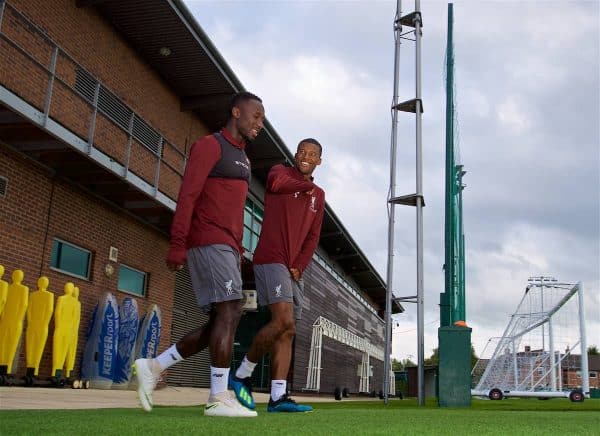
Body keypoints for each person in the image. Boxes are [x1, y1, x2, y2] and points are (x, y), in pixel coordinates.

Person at [134, 91, 265, 418]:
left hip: (229, 246)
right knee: (231, 308)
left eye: (262, 119)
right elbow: (188, 194)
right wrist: (178, 242)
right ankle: (218, 398)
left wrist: (239, 246)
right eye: (255, 116)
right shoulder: (210, 145)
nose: (259, 124)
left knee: (224, 318)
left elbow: (232, 208)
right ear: (236, 112)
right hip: (207, 239)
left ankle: (154, 366)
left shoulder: (244, 158)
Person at [230, 138, 325, 413]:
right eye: (303, 152)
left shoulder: (319, 195)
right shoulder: (279, 172)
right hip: (270, 259)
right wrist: (308, 186)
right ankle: (242, 373)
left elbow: (313, 236)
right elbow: (276, 186)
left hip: (293, 269)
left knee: (289, 330)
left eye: (313, 154)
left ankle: (277, 398)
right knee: (281, 320)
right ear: (296, 155)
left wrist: (300, 265)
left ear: (320, 161)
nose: (306, 157)